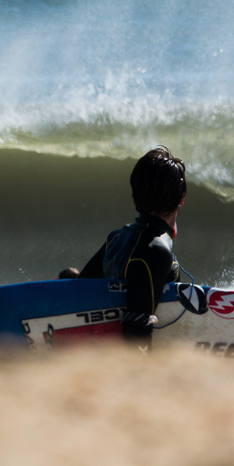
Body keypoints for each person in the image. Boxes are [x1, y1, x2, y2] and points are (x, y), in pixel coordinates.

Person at [75, 146, 185, 350]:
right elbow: (136, 326)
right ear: (182, 198)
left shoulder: (116, 238)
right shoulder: (157, 251)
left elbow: (81, 291)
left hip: (102, 340)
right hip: (127, 351)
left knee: (71, 276)